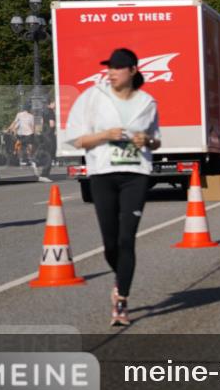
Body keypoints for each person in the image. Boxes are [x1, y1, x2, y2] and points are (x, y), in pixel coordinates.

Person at [65, 48, 161, 326]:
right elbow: (76, 139)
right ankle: (121, 277)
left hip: (136, 173)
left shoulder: (147, 102)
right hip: (103, 173)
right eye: (109, 68)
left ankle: (121, 299)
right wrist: (105, 135)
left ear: (132, 70)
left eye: (117, 68)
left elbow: (157, 141)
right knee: (110, 242)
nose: (111, 73)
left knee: (126, 239)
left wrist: (148, 141)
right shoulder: (93, 97)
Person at [36, 100, 57, 182]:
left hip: (44, 134)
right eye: (54, 103)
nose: (55, 105)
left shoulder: (43, 111)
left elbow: (39, 123)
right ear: (51, 103)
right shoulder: (51, 111)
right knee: (50, 155)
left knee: (46, 152)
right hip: (50, 135)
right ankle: (44, 175)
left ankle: (37, 161)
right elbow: (52, 124)